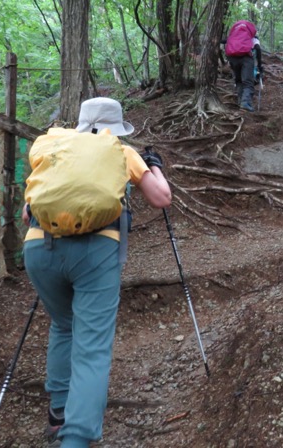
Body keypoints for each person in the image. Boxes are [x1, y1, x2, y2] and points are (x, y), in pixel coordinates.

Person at [21, 97, 172, 448]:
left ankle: (59, 414)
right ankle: (76, 439)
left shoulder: (55, 145)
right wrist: (154, 166)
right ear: (115, 127)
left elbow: (28, 213)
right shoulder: (119, 149)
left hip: (39, 251)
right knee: (92, 347)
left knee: (63, 325)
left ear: (81, 122)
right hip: (95, 253)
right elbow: (161, 197)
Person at [225, 19, 264, 111]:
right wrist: (260, 65)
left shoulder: (233, 37)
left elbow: (224, 42)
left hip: (232, 58)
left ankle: (240, 101)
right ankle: (245, 103)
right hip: (246, 58)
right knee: (248, 82)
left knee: (238, 80)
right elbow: (258, 49)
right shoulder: (253, 38)